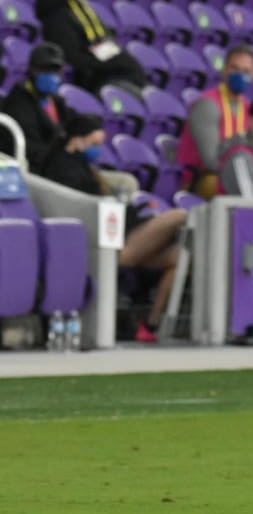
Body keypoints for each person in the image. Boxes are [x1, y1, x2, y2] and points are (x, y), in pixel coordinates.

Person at [33, 114, 187, 344]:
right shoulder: (61, 168)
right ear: (76, 141)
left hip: (118, 229)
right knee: (180, 215)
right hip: (106, 239)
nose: (98, 150)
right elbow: (82, 206)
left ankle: (151, 324)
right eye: (94, 144)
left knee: (179, 258)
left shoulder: (82, 166)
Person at [0, 42, 138, 197]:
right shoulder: (19, 104)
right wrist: (66, 151)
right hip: (43, 175)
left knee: (125, 183)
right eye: (46, 70)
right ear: (32, 71)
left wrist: (91, 132)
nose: (52, 76)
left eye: (56, 70)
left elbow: (78, 122)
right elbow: (31, 151)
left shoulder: (56, 102)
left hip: (67, 168)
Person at [35, 0, 148, 96]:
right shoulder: (56, 14)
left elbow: (107, 39)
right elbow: (73, 57)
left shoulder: (86, 8)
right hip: (94, 81)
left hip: (113, 74)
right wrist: (113, 62)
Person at [177, 43, 253, 198]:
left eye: (246, 71)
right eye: (235, 68)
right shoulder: (208, 105)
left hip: (239, 174)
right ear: (224, 70)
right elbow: (211, 162)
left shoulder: (249, 109)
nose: (240, 75)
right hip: (204, 179)